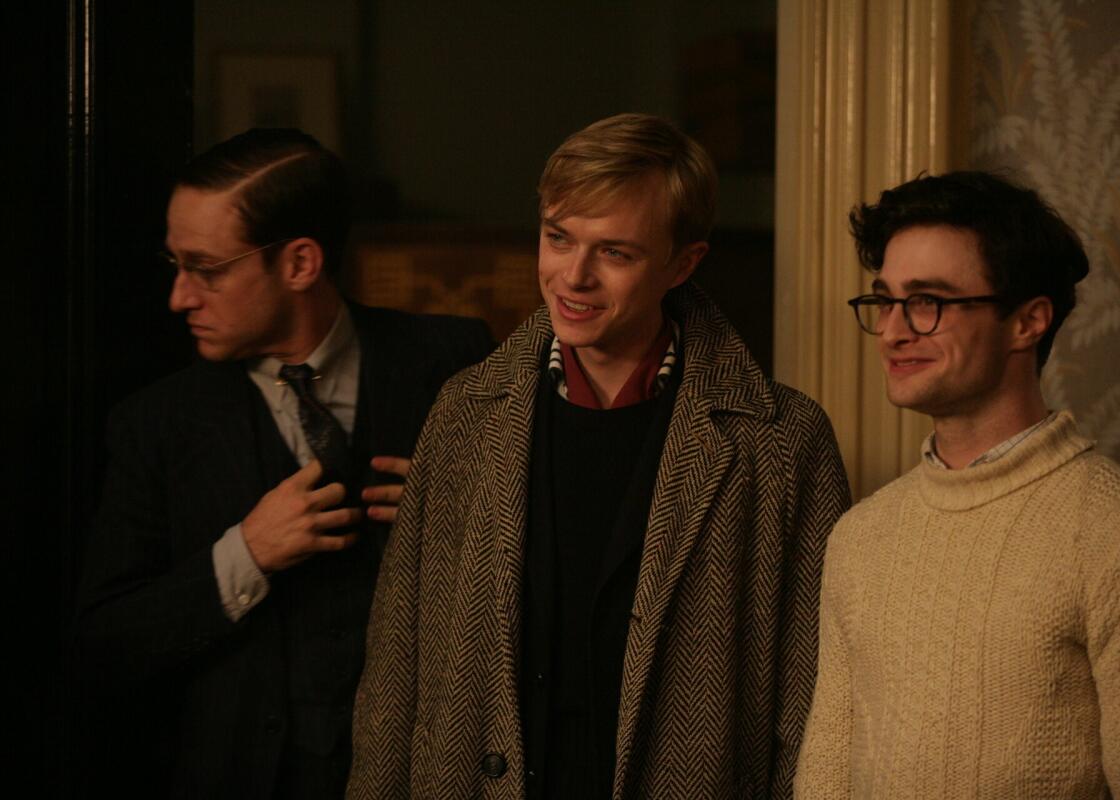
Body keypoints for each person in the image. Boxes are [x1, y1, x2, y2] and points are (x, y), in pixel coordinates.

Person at [348, 113, 850, 800]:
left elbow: (813, 701)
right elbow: (394, 674)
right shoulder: (465, 412)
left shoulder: (782, 442)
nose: (573, 276)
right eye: (558, 238)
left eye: (615, 252)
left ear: (684, 264)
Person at [75, 128, 493, 799]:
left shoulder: (456, 362)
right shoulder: (155, 425)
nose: (179, 297)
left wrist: (470, 518)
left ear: (300, 263)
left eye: (206, 269)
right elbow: (107, 645)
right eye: (176, 264)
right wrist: (245, 555)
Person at [795, 171, 1120, 798]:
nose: (895, 331)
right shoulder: (860, 536)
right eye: (885, 301)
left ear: (1027, 322)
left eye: (927, 301)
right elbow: (824, 779)